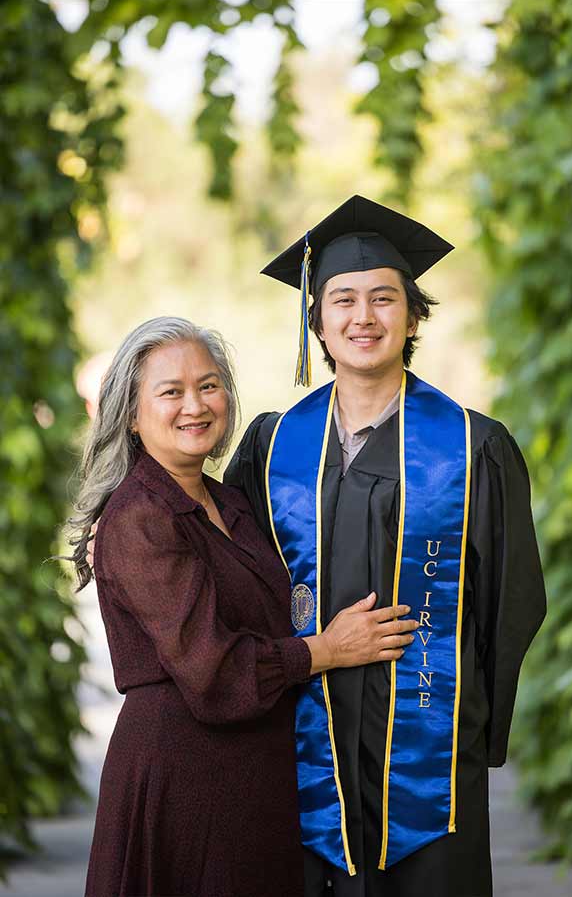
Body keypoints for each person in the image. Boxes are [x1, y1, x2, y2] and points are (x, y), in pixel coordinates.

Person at [222, 195, 547, 897]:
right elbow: (236, 585)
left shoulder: (473, 446)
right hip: (300, 738)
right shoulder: (273, 445)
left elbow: (510, 601)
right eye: (341, 300)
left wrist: (468, 721)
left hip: (430, 736)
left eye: (383, 298)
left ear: (414, 315)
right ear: (316, 320)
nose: (362, 318)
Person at [71, 317, 416, 896]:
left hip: (252, 777)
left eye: (209, 385)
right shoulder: (138, 518)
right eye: (171, 391)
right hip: (183, 781)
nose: (195, 405)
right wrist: (327, 650)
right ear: (131, 414)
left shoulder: (230, 502)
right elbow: (213, 670)